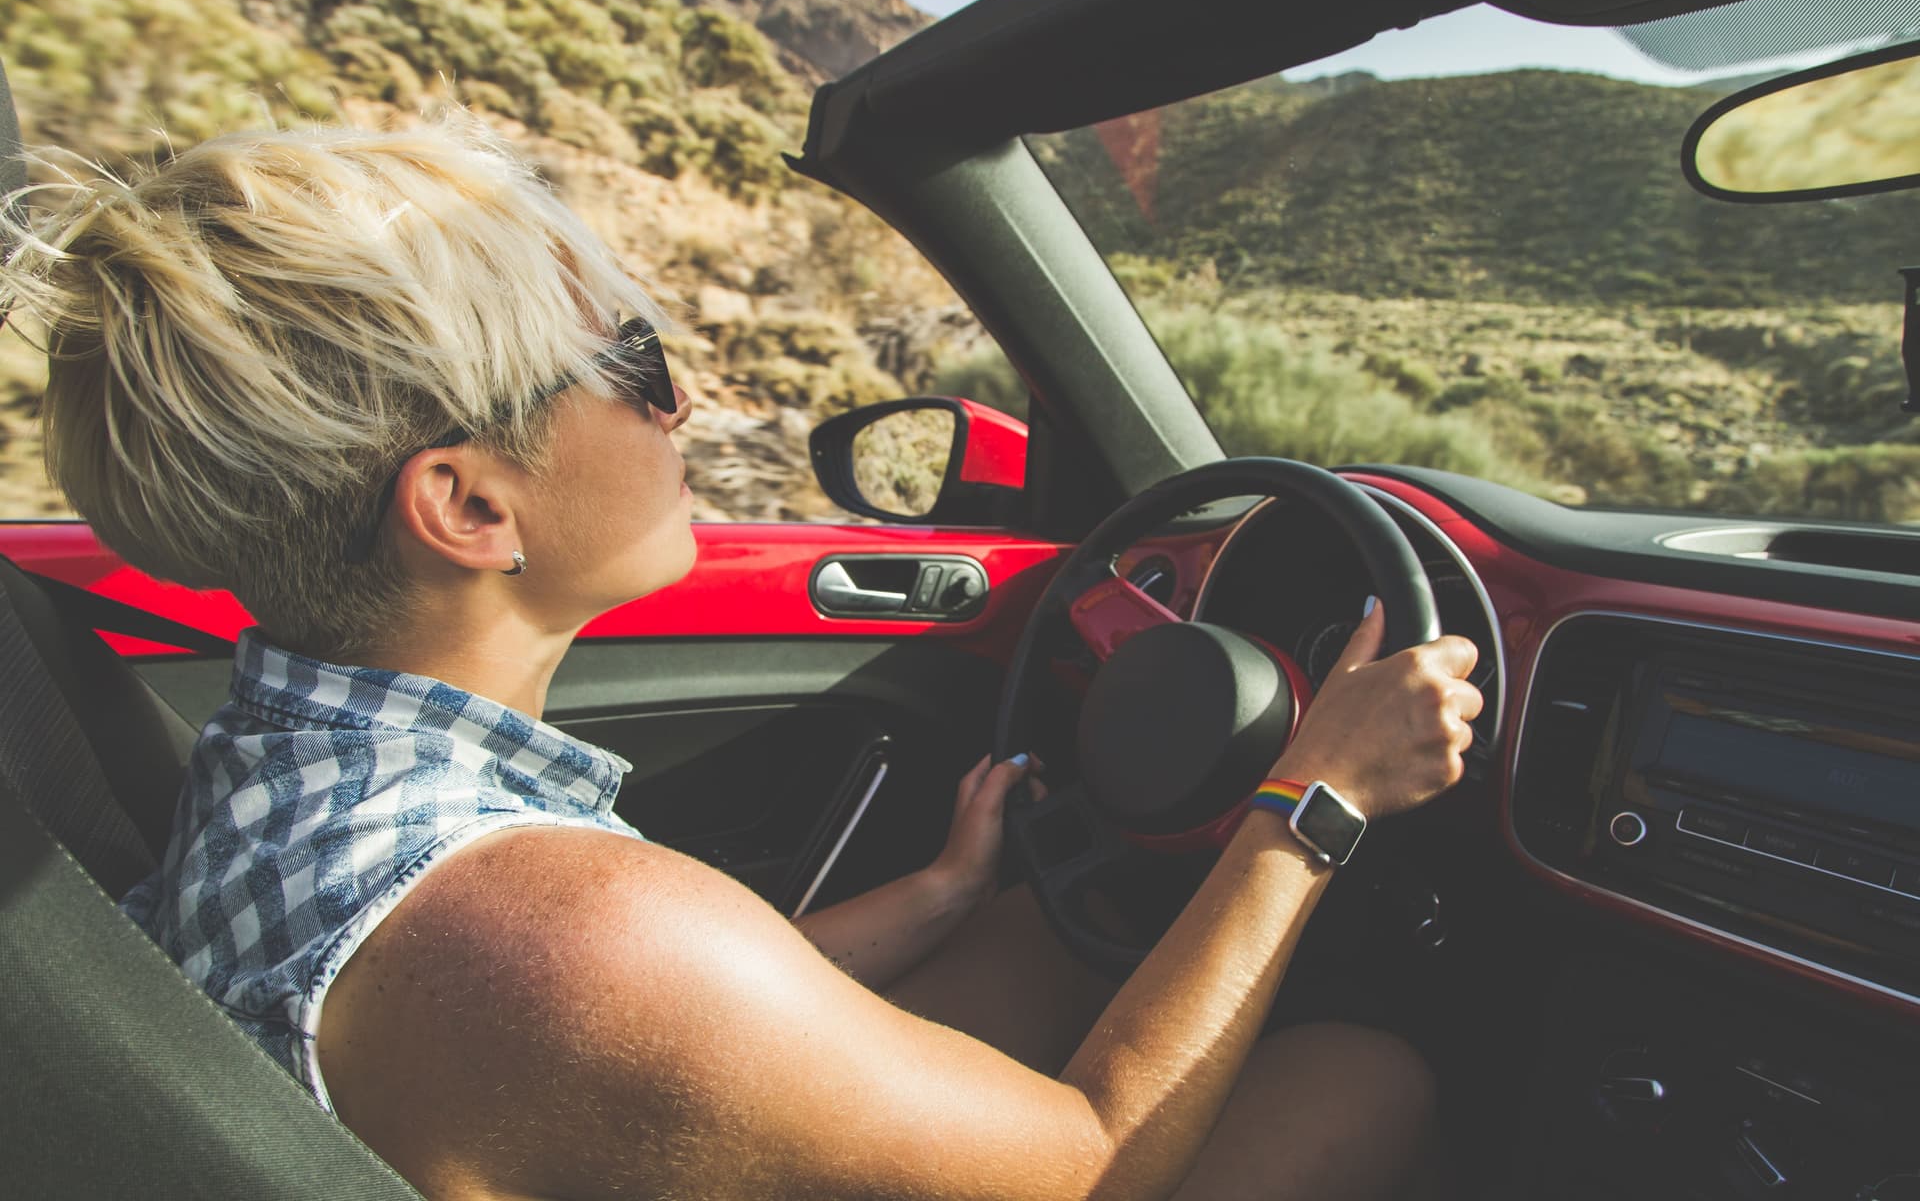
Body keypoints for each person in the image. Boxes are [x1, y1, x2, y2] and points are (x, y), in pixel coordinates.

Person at [3, 115, 1482, 1200]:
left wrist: (940, 893)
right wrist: (1315, 802)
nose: (688, 398)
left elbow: (629, 1039)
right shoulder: (560, 929)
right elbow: (1088, 1164)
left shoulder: (280, 758)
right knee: (1365, 1079)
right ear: (467, 504)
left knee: (1029, 937)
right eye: (633, 366)